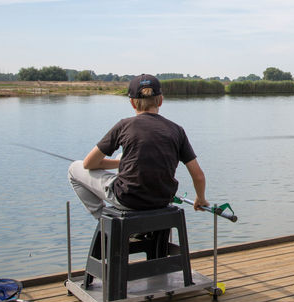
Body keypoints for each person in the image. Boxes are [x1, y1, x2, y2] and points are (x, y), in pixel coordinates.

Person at [68, 74, 208, 219]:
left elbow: (88, 164)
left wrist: (120, 164)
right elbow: (198, 176)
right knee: (122, 157)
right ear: (160, 100)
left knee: (74, 168)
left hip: (128, 200)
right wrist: (200, 198)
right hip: (163, 200)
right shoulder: (177, 130)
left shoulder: (124, 126)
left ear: (132, 103)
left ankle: (102, 218)